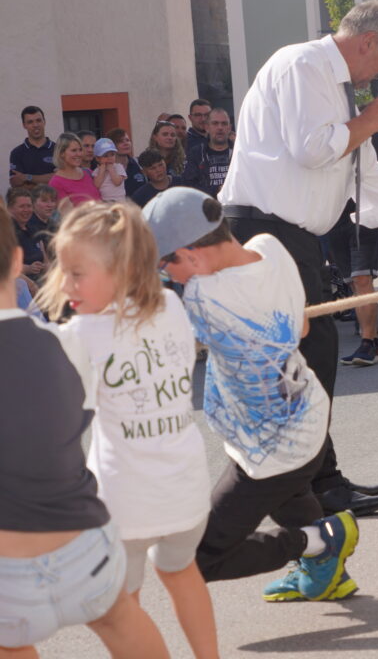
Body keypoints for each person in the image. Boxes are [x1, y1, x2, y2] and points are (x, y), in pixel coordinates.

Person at [218, 0, 378, 517]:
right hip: (263, 232)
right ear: (367, 42)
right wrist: (369, 120)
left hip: (294, 239)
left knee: (309, 359)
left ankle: (316, 482)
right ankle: (310, 487)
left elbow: (375, 189)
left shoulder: (342, 91)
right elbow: (311, 148)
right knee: (309, 357)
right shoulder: (301, 64)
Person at [146, 187, 361, 603]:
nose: (169, 277)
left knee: (192, 560)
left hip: (270, 449)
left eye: (166, 266)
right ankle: (326, 574)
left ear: (190, 254)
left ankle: (322, 541)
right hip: (304, 418)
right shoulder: (270, 247)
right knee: (291, 498)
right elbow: (301, 327)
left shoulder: (205, 297)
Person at [43, 202, 218, 659]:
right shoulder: (172, 307)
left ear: (121, 270)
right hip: (186, 489)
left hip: (126, 503)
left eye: (76, 273)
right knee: (182, 572)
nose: (64, 284)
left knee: (123, 610)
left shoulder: (80, 335)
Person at [0, 208, 172, 659]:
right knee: (121, 618)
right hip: (84, 544)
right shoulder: (67, 343)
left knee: (12, 645)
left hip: (7, 574)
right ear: (17, 261)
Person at [330, 116, 378, 368]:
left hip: (364, 216)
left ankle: (368, 342)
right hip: (333, 218)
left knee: (362, 279)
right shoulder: (322, 131)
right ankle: (373, 342)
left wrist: (371, 199)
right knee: (353, 283)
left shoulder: (367, 126)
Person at [183, 107, 234, 198]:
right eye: (215, 123)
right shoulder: (196, 154)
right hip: (206, 204)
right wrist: (217, 190)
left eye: (224, 124)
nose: (220, 128)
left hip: (235, 204)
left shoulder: (238, 152)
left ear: (229, 128)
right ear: (207, 127)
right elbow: (189, 186)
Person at [49, 132, 103, 208]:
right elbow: (68, 213)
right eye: (74, 150)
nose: (79, 154)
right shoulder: (56, 183)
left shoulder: (88, 172)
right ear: (61, 153)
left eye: (80, 150)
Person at [9, 105, 56, 191]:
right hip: (29, 200)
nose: (35, 125)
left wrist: (27, 177)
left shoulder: (58, 149)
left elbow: (61, 178)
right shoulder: (17, 153)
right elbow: (15, 183)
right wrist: (49, 180)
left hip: (54, 199)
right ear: (24, 125)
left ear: (44, 122)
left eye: (38, 120)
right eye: (30, 122)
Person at [8, 187, 45, 281]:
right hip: (20, 281)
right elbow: (6, 265)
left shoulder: (33, 228)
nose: (26, 210)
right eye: (22, 206)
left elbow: (45, 258)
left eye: (29, 206)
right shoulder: (7, 232)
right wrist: (28, 268)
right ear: (10, 209)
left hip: (40, 277)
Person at [107, 129, 145, 198]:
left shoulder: (140, 163)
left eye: (127, 140)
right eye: (120, 141)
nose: (126, 143)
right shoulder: (106, 169)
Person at [92, 138, 128, 203]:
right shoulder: (97, 171)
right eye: (105, 156)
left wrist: (111, 170)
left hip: (119, 201)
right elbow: (96, 185)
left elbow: (117, 182)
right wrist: (101, 171)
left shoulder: (119, 167)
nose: (110, 158)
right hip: (104, 201)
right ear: (98, 158)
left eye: (112, 154)